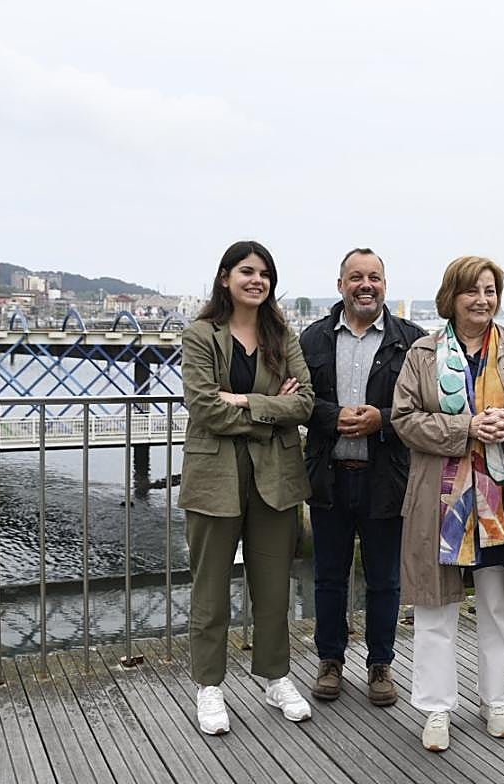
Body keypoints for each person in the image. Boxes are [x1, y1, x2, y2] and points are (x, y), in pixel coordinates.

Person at [392, 256, 504, 752]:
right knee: (435, 609)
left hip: (501, 498)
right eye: (472, 291)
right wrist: (465, 428)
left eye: (489, 290)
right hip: (441, 500)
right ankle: (436, 709)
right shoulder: (422, 353)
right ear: (452, 296)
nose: (482, 300)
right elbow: (404, 419)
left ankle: (496, 701)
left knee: (497, 604)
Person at [179, 240, 315, 735]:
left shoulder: (282, 335)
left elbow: (304, 404)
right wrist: (267, 411)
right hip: (213, 478)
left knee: (273, 588)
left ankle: (276, 677)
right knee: (210, 590)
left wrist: (242, 400)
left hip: (275, 479)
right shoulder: (199, 335)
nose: (257, 280)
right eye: (247, 271)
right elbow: (205, 408)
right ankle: (209, 687)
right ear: (224, 278)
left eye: (265, 274)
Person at [299, 248, 425, 706]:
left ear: (385, 286)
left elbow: (426, 408)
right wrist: (333, 417)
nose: (365, 285)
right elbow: (297, 400)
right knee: (328, 577)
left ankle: (380, 665)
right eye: (356, 277)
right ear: (340, 286)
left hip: (386, 477)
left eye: (374, 277)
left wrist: (383, 420)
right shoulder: (312, 339)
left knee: (385, 580)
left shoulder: (412, 341)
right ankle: (330, 660)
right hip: (329, 477)